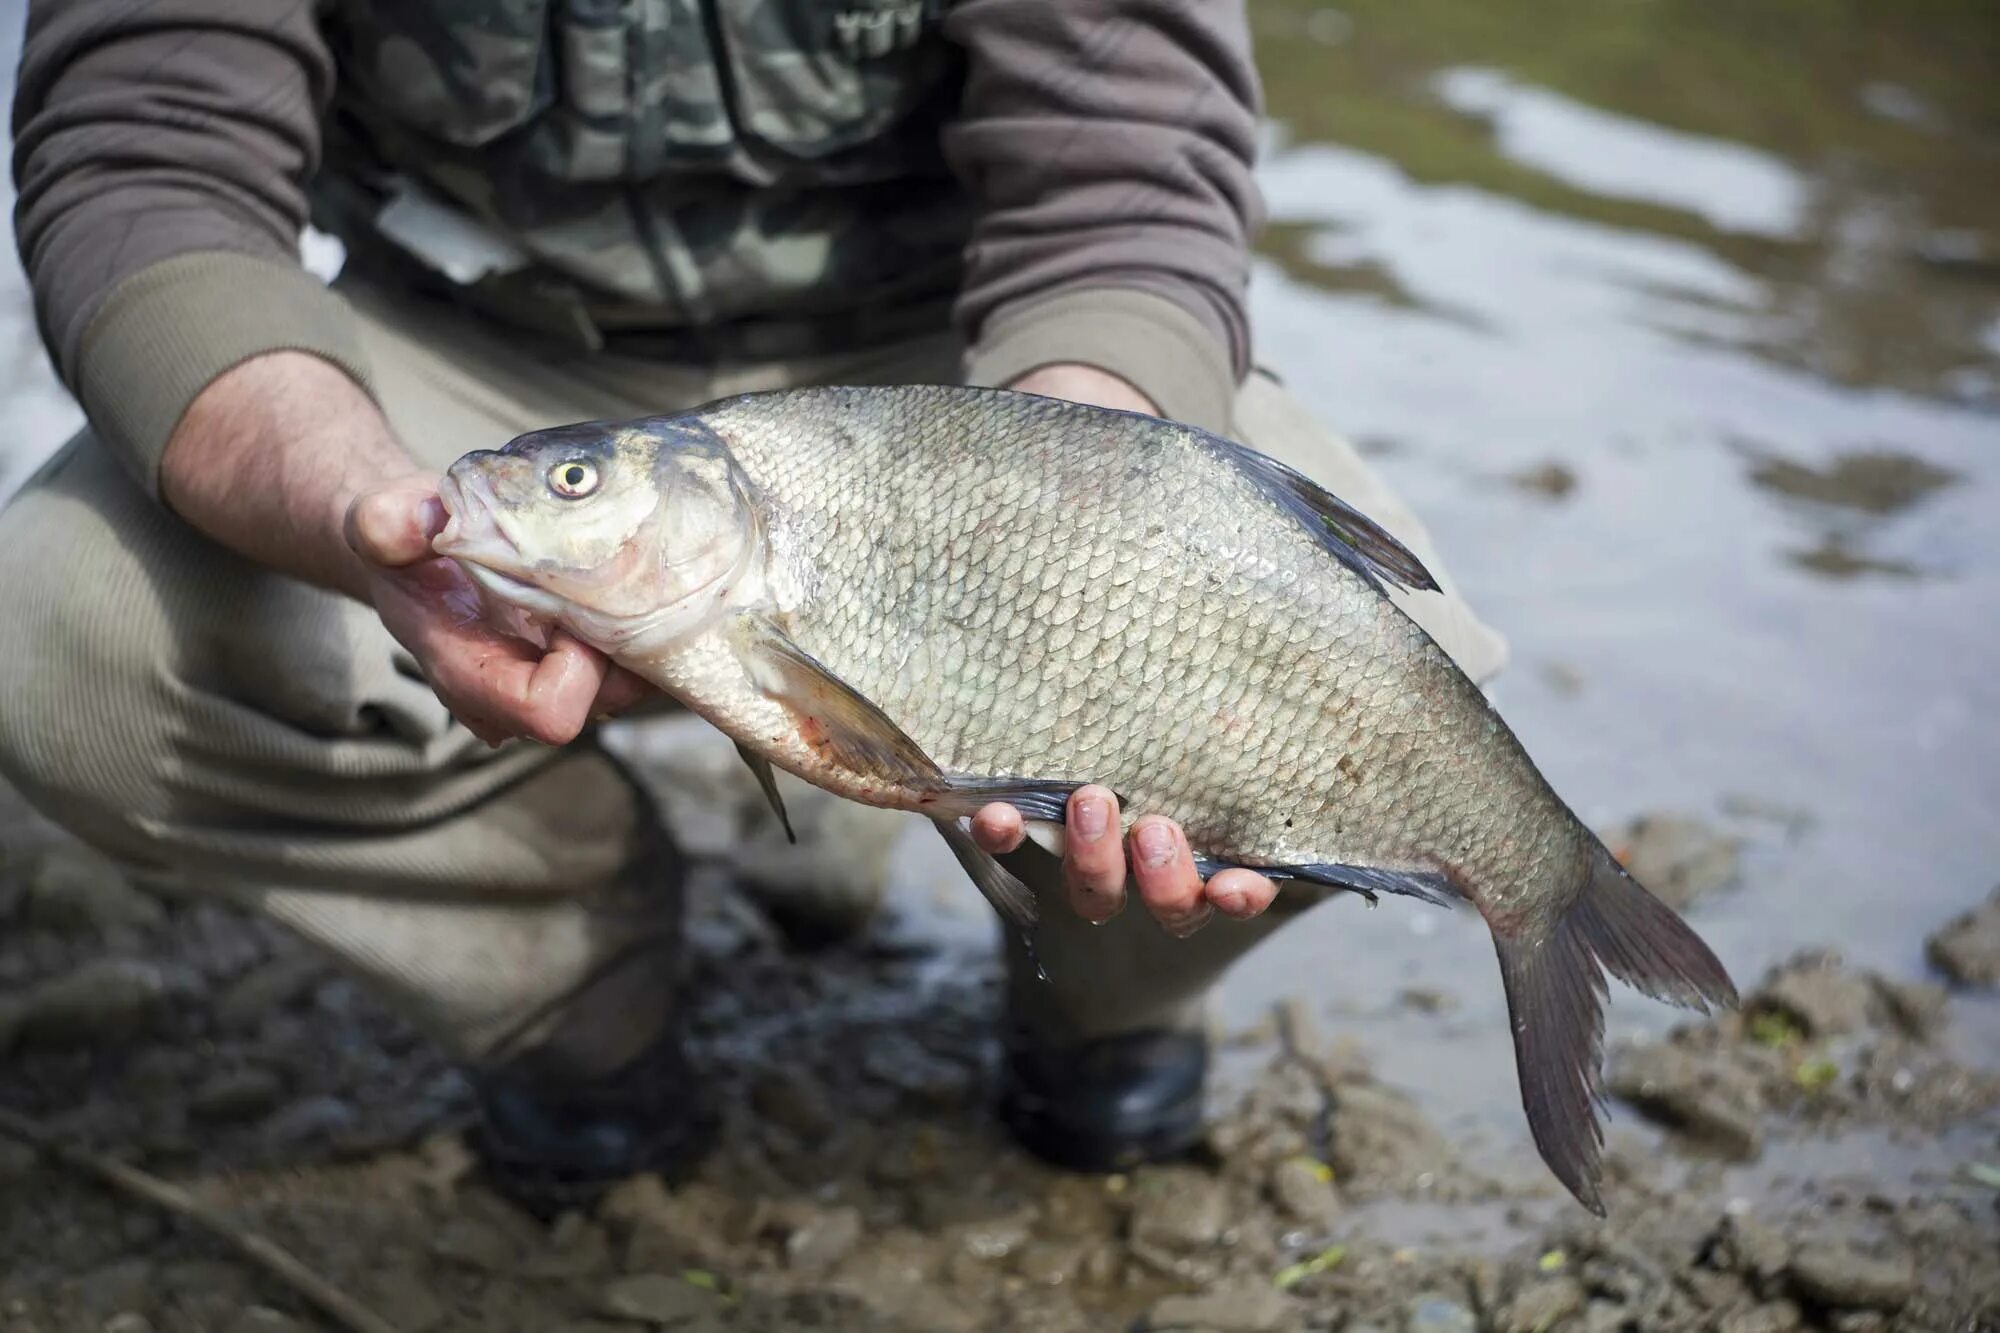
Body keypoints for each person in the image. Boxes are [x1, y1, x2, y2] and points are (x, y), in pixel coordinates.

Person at [0, 0, 1508, 1213]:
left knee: (1389, 676)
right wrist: (353, 506)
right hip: (489, 354)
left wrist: (1064, 521)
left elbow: (1123, 180)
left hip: (961, 375)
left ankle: (1107, 987)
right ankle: (569, 975)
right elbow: (148, 155)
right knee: (58, 636)